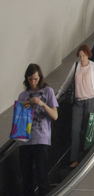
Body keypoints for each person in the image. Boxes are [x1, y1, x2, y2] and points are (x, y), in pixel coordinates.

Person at [57, 45, 94, 168]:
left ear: (88, 55)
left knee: (88, 130)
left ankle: (88, 156)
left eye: (83, 55)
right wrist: (58, 95)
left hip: (90, 101)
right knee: (75, 130)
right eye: (80, 56)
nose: (82, 58)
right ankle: (74, 159)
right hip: (78, 102)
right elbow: (67, 82)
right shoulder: (76, 66)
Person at [17, 64, 58, 196]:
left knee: (42, 177)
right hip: (25, 141)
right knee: (27, 179)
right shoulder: (23, 95)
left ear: (40, 77)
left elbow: (55, 116)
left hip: (41, 139)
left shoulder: (48, 91)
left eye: (35, 79)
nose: (33, 82)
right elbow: (19, 119)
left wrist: (41, 104)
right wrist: (25, 105)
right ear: (26, 79)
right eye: (30, 79)